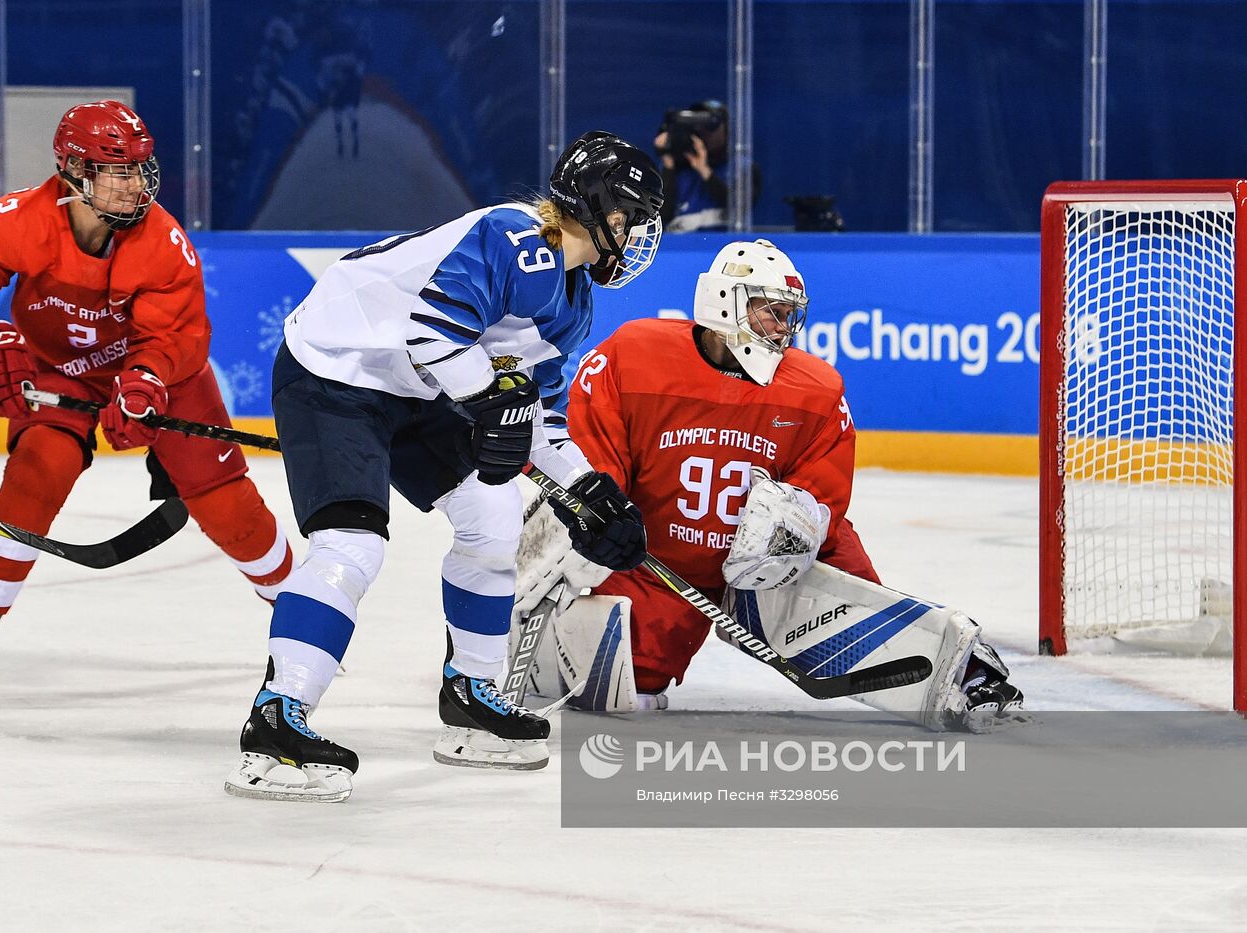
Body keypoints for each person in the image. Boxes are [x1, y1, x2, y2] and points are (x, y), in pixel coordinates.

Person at [223, 130, 665, 802]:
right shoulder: (514, 238)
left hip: (418, 385)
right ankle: (276, 719)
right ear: (601, 209)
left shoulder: (574, 302)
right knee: (352, 545)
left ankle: (470, 693)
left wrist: (587, 488)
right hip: (336, 370)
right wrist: (492, 398)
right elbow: (431, 329)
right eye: (630, 221)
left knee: (494, 517)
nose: (635, 238)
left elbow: (540, 415)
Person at [511, 239, 1025, 730]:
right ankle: (508, 635)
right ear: (723, 301)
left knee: (860, 597)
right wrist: (604, 517)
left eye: (789, 314)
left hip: (773, 564)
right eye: (771, 311)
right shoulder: (633, 355)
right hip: (654, 561)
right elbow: (590, 459)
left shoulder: (816, 389)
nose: (784, 328)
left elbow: (824, 489)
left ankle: (963, 675)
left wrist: (799, 520)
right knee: (620, 690)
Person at [0, 100, 295, 691]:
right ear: (73, 170)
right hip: (60, 372)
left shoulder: (162, 243)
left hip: (158, 376)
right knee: (34, 471)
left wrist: (147, 377)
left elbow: (176, 336)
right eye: (116, 171)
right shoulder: (16, 221)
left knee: (226, 501)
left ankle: (300, 615)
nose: (134, 185)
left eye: (138, 169)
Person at [653, 100, 760, 232]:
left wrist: (704, 171)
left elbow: (740, 207)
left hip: (725, 246)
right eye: (695, 125)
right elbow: (661, 215)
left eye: (710, 125)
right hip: (680, 248)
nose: (702, 131)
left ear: (726, 129)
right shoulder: (678, 167)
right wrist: (668, 160)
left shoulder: (741, 167)